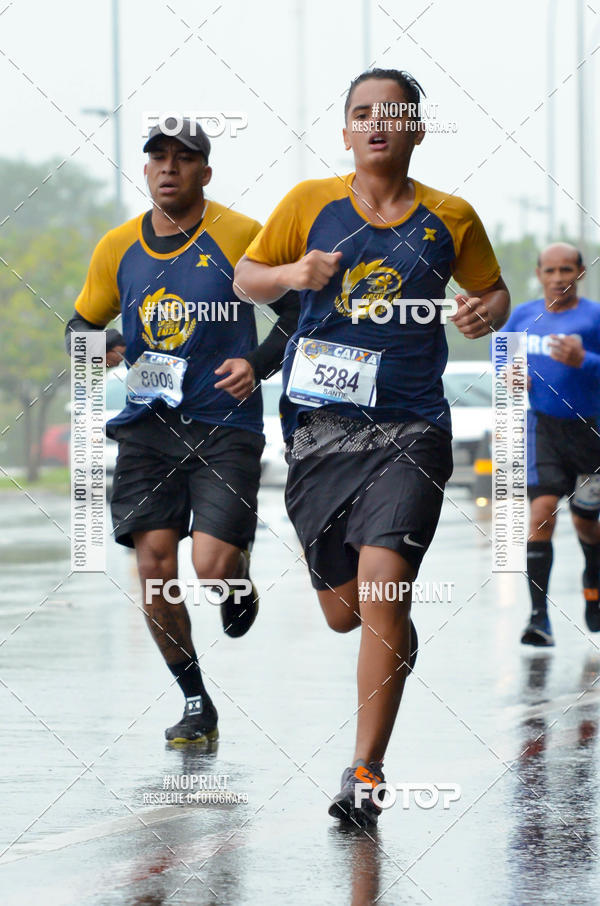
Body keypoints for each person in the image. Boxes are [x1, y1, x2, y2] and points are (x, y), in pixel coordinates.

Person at [234, 68, 509, 825]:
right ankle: (393, 646)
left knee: (385, 586)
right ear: (347, 132)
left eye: (392, 111)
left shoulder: (452, 217)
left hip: (412, 429)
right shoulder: (306, 206)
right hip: (320, 432)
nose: (376, 121)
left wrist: (483, 311)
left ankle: (365, 769)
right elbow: (245, 275)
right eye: (362, 112)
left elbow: (493, 291)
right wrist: (293, 271)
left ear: (416, 129)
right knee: (345, 613)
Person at [65, 118, 299, 744]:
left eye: (183, 157)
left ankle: (237, 578)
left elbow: (298, 314)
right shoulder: (118, 247)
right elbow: (78, 328)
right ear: (145, 171)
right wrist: (104, 344)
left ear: (205, 172)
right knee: (156, 570)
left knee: (211, 563)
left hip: (223, 426)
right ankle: (196, 700)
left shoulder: (242, 235)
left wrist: (257, 362)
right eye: (157, 158)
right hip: (147, 428)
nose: (168, 167)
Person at [501, 243, 600, 647]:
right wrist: (509, 372)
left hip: (591, 433)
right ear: (539, 274)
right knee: (541, 513)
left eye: (566, 270)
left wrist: (586, 361)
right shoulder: (525, 315)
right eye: (550, 271)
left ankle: (593, 585)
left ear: (579, 272)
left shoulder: (593, 317)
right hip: (544, 429)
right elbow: (502, 353)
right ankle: (539, 618)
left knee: (586, 523)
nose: (558, 277)